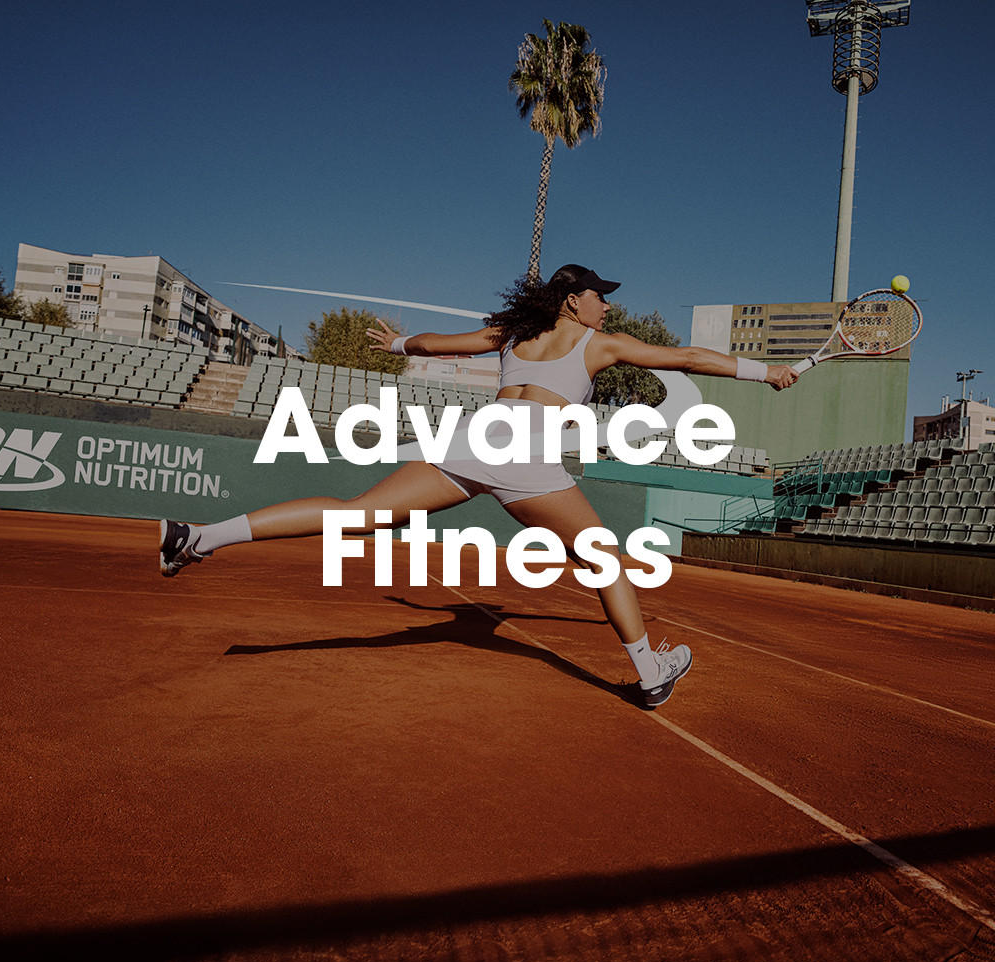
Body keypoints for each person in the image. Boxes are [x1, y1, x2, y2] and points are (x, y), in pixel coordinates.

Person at [160, 264, 797, 708]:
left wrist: (402, 341)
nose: (607, 302)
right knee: (605, 560)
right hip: (525, 456)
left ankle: (198, 537)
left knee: (356, 515)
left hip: (469, 442)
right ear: (572, 301)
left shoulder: (513, 335)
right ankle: (649, 673)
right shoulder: (601, 345)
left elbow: (442, 343)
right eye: (599, 294)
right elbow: (687, 358)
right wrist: (763, 371)